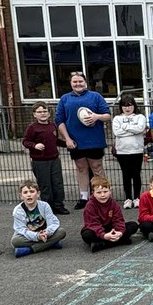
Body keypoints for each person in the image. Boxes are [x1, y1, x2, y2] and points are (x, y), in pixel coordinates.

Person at [54, 71, 111, 210]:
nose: (78, 84)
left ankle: (103, 195)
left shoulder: (95, 96)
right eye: (75, 82)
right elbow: (59, 120)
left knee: (97, 168)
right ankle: (84, 197)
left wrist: (96, 117)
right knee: (81, 168)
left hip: (94, 141)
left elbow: (107, 115)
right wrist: (67, 138)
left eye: (80, 81)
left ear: (85, 82)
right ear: (71, 83)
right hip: (75, 141)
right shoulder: (65, 99)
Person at [21, 102, 68, 215]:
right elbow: (25, 141)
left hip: (54, 160)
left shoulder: (53, 126)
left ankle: (59, 205)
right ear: (34, 114)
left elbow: (55, 141)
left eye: (45, 111)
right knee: (45, 185)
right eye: (39, 112)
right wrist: (35, 146)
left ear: (49, 113)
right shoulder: (32, 128)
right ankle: (48, 207)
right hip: (40, 162)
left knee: (57, 183)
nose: (42, 114)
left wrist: (67, 144)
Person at [80, 175, 138, 252]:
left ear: (110, 191)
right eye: (99, 192)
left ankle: (102, 244)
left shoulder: (113, 203)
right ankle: (120, 241)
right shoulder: (90, 205)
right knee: (87, 235)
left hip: (111, 228)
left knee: (133, 225)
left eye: (105, 191)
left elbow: (118, 220)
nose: (103, 195)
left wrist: (119, 232)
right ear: (93, 193)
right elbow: (93, 224)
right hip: (96, 229)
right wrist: (103, 235)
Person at [10, 180, 67, 258]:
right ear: (21, 196)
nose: (29, 195)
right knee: (15, 241)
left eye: (32, 191)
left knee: (61, 232)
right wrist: (37, 236)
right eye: (25, 192)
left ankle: (30, 249)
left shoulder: (44, 206)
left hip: (44, 233)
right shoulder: (18, 210)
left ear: (38, 194)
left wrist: (47, 232)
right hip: (28, 235)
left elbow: (53, 223)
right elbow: (21, 230)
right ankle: (52, 243)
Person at [111, 93, 148, 209]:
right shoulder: (117, 118)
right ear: (121, 107)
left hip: (137, 150)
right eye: (124, 106)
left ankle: (137, 197)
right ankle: (128, 198)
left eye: (130, 105)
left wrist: (125, 127)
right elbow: (117, 132)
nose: (127, 108)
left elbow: (141, 128)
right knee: (126, 175)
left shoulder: (140, 117)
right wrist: (134, 129)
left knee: (136, 174)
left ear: (134, 106)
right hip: (122, 151)